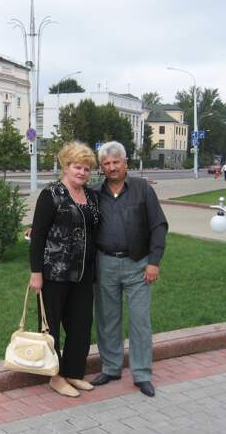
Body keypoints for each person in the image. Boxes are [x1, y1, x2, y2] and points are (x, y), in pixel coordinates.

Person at [90, 141, 168, 398]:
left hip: (138, 264)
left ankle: (142, 374)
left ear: (126, 163)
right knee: (107, 319)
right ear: (101, 167)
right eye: (106, 163)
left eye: (116, 162)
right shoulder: (94, 193)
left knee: (140, 320)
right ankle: (111, 368)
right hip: (104, 263)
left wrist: (154, 261)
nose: (112, 167)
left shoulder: (142, 189)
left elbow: (158, 226)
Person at [29, 141, 100, 397]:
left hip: (83, 273)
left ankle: (73, 373)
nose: (82, 172)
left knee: (81, 325)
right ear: (66, 167)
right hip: (54, 273)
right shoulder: (51, 195)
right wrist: (36, 273)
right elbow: (38, 236)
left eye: (86, 168)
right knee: (51, 326)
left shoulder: (91, 196)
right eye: (77, 167)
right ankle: (55, 376)